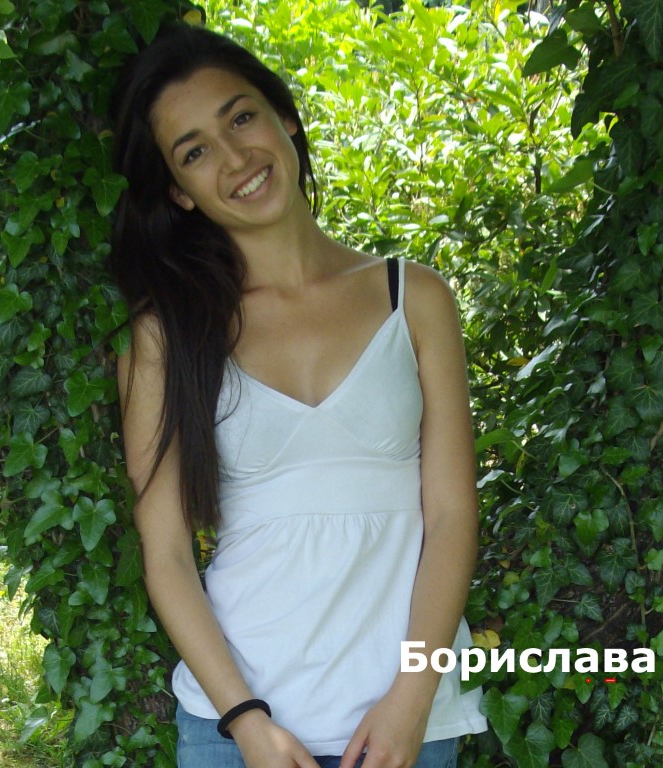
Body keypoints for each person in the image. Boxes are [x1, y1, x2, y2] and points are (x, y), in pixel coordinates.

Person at [108, 21, 487, 768]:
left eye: (240, 118)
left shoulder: (413, 297)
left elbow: (450, 515)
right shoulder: (166, 335)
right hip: (238, 729)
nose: (235, 159)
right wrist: (246, 722)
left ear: (284, 117)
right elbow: (167, 556)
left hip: (404, 724)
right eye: (194, 152)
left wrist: (413, 697)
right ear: (179, 193)